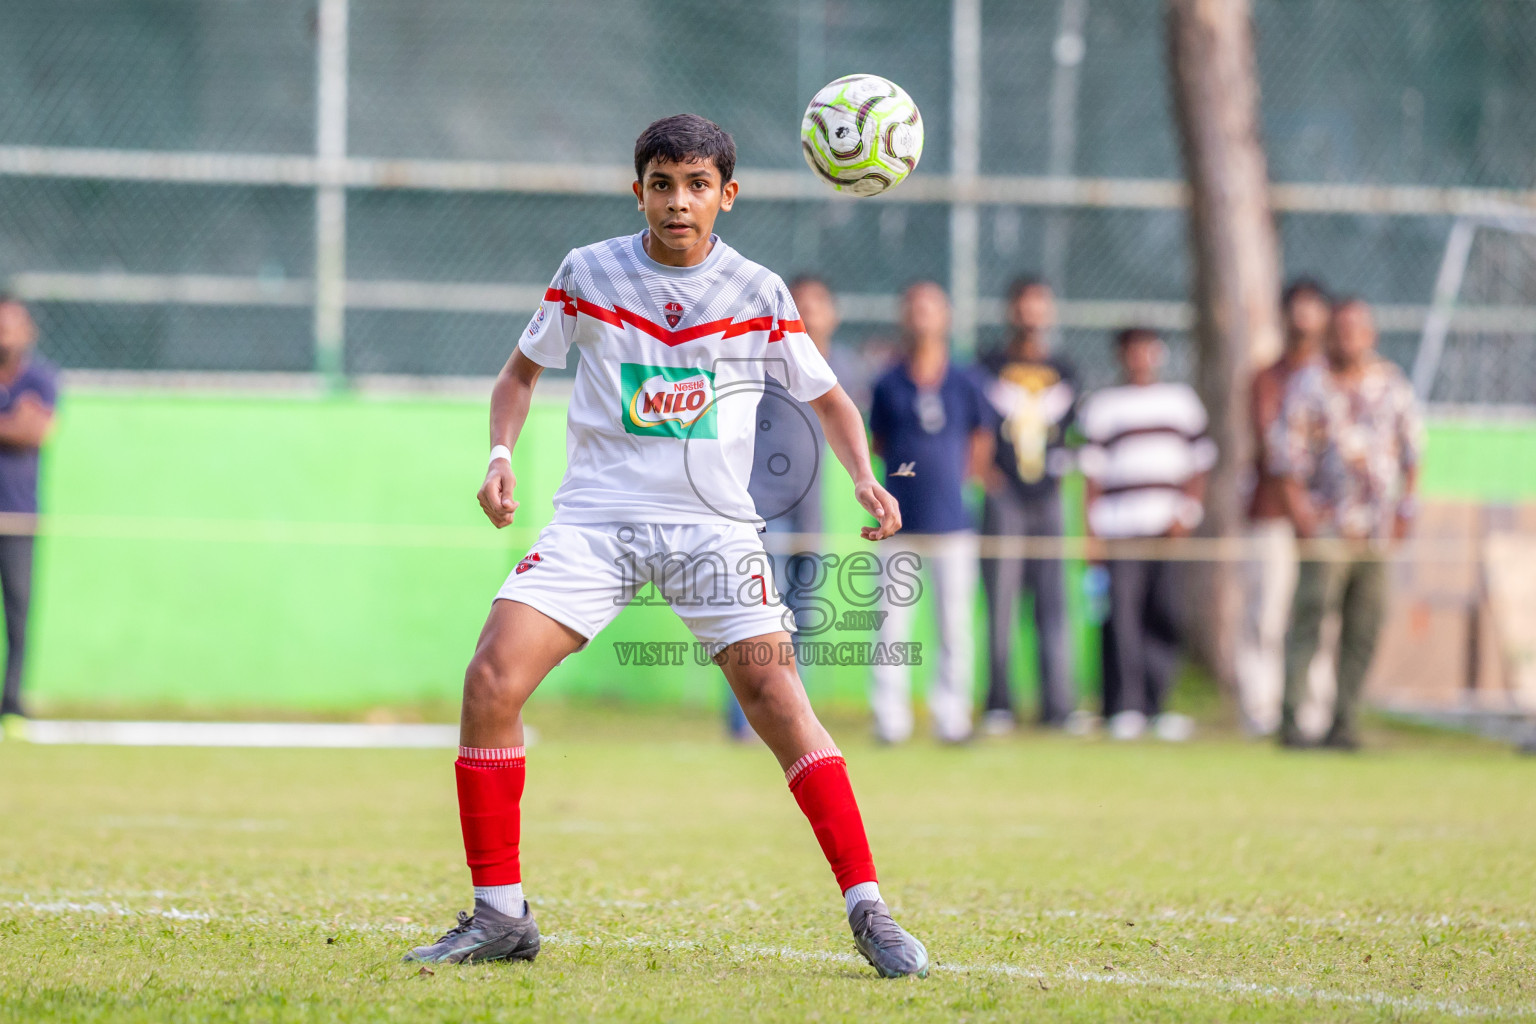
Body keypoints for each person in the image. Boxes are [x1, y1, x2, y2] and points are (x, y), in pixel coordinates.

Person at [404, 115, 929, 979]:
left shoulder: (758, 291)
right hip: (597, 520)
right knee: (492, 678)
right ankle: (501, 915)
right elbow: (519, 374)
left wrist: (865, 478)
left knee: (779, 701)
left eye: (696, 185)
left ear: (727, 194)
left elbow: (830, 399)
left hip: (713, 529)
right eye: (661, 183)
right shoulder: (589, 271)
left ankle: (868, 907)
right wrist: (499, 456)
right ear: (637, 188)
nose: (677, 201)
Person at [1270, 298, 1422, 751]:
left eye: (1358, 328)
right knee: (1311, 618)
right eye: (1341, 329)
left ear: (1371, 334)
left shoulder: (1390, 383)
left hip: (1374, 528)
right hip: (1327, 526)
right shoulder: (1309, 384)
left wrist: (1405, 509)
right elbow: (1285, 457)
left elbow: (1413, 451)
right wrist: (1300, 513)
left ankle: (1345, 721)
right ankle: (1294, 718)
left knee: (1365, 625)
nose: (1349, 337)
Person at [867, 282, 996, 745]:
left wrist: (963, 484)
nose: (922, 315)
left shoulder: (966, 380)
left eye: (930, 307)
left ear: (946, 316)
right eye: (914, 307)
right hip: (898, 525)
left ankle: (952, 718)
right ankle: (890, 720)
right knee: (891, 628)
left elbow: (982, 437)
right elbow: (879, 442)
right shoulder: (887, 381)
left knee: (954, 628)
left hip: (953, 524)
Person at [1078, 328, 1215, 742]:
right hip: (1120, 529)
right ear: (1121, 355)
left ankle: (1158, 705)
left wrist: (1187, 513)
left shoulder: (1181, 402)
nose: (1140, 357)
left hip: (1166, 531)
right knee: (1121, 618)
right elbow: (1092, 475)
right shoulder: (1103, 406)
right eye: (1132, 350)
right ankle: (1123, 706)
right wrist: (1092, 532)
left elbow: (1200, 463)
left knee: (1164, 615)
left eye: (1147, 350)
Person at [730, 276, 839, 741]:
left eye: (819, 304)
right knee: (753, 624)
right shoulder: (761, 362)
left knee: (804, 622)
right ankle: (747, 724)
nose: (810, 313)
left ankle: (797, 723)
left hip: (812, 516)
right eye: (802, 304)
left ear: (833, 314)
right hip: (761, 514)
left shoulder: (844, 369)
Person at [977, 277, 1077, 733]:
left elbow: (1075, 434)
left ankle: (1058, 706)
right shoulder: (989, 365)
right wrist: (986, 475)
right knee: (1000, 603)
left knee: (1054, 604)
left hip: (1049, 498)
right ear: (1011, 311)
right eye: (1024, 305)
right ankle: (1000, 702)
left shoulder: (1066, 369)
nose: (1032, 314)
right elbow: (978, 427)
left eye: (1040, 305)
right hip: (1006, 498)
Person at [1238, 278, 1335, 737]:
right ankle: (1263, 709)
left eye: (1312, 309)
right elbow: (1273, 448)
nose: (1303, 319)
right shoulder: (1267, 378)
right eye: (1296, 309)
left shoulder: (1334, 380)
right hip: (1273, 513)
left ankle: (1313, 711)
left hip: (1323, 521)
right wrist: (1296, 502)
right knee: (1267, 613)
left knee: (1318, 615)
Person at [0, 296, 58, 739]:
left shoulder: (40, 378)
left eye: (12, 324)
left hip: (17, 517)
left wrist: (20, 427)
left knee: (18, 613)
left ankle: (12, 701)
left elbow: (35, 431)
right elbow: (17, 427)